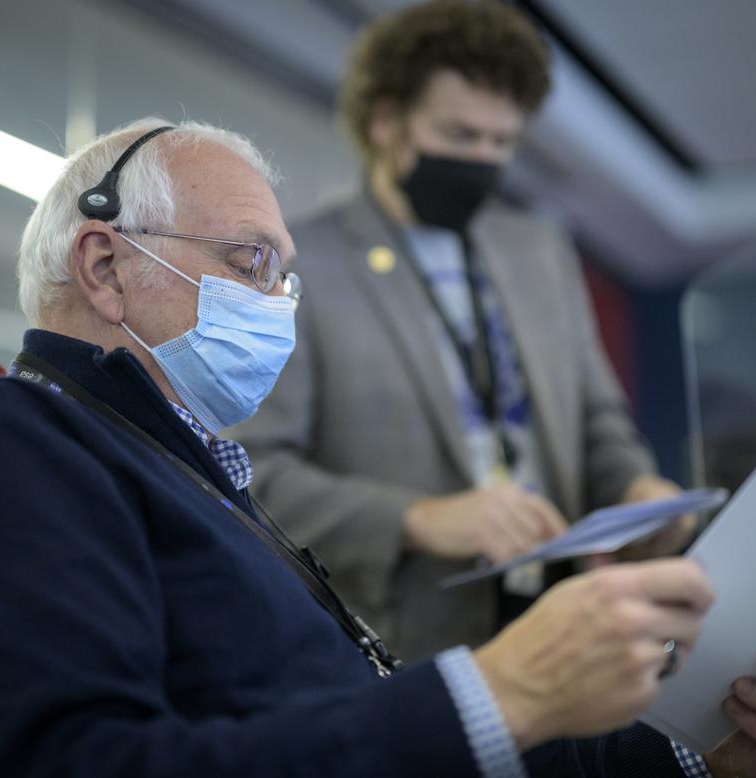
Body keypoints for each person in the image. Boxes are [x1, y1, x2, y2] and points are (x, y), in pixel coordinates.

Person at [0, 118, 756, 777]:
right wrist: (502, 688)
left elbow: (349, 729)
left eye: (285, 279)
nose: (278, 308)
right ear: (103, 265)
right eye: (249, 262)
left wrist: (700, 750)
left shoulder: (197, 485)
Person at [231, 0, 687, 661]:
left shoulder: (540, 252)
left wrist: (639, 492)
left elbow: (597, 422)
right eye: (460, 136)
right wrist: (417, 518)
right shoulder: (305, 264)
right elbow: (253, 472)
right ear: (386, 121)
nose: (483, 159)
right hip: (405, 642)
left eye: (502, 143)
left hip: (564, 616)